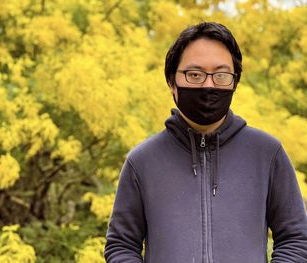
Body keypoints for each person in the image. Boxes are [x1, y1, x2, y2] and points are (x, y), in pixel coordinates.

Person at [104, 22, 307, 263]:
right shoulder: (142, 161)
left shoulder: (267, 153)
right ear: (172, 81)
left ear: (234, 82)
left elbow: (296, 239)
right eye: (195, 74)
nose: (208, 85)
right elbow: (121, 246)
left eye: (221, 75)